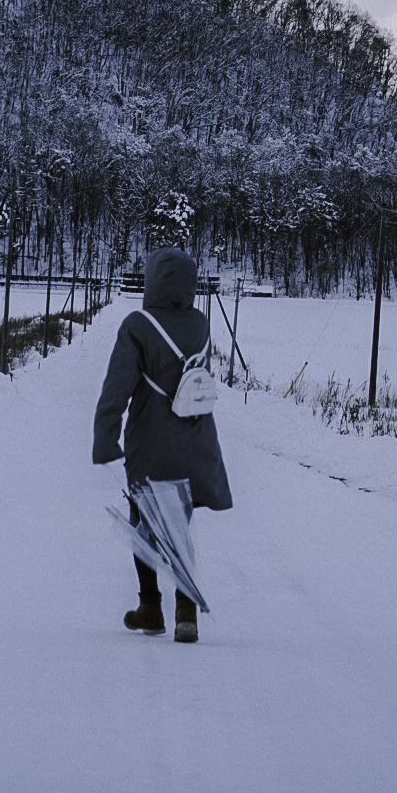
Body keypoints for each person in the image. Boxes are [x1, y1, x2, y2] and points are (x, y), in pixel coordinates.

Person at [93, 245, 232, 642]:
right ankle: (186, 611)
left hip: (149, 439)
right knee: (179, 521)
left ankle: (150, 607)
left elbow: (116, 388)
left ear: (153, 280)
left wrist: (105, 439)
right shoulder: (200, 323)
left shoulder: (137, 324)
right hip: (194, 437)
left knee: (145, 520)